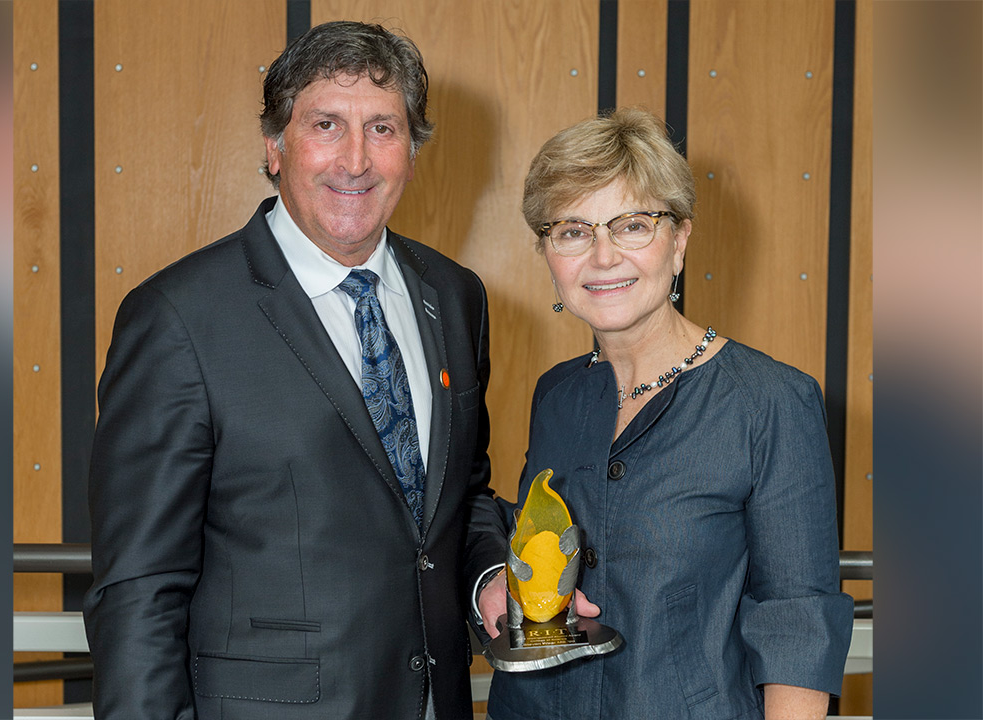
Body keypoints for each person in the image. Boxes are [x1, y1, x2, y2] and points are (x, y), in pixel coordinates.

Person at [83, 21, 507, 720]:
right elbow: (137, 590)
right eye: (326, 124)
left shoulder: (453, 296)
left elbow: (460, 496)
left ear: (411, 150)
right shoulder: (178, 317)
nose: (355, 160)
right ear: (275, 146)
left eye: (382, 128)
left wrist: (489, 574)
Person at [477, 107, 854, 720]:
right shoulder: (557, 395)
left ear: (679, 241)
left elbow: (798, 622)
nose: (602, 257)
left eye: (631, 226)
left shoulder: (771, 402)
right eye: (572, 231)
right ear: (548, 253)